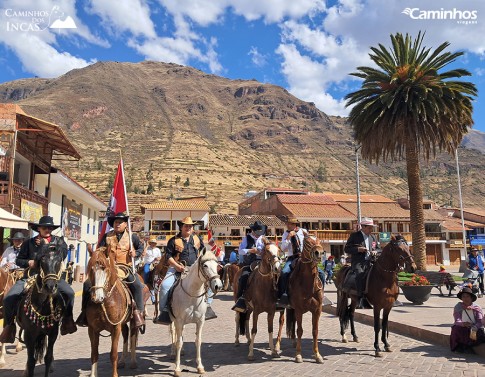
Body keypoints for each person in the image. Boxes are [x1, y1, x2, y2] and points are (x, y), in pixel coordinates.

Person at [0, 216, 77, 344]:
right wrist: (28, 262)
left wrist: (45, 247)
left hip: (52, 277)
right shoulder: (29, 243)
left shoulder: (59, 242)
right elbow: (19, 260)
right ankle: (9, 327)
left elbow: (62, 254)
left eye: (50, 228)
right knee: (9, 298)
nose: (47, 229)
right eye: (44, 227)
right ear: (39, 229)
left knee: (70, 293)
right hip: (31, 276)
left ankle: (67, 320)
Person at [75, 212, 146, 328]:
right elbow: (99, 251)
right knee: (87, 284)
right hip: (108, 267)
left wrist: (136, 253)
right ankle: (84, 313)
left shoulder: (132, 237)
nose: (117, 224)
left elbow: (140, 248)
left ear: (125, 225)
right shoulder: (107, 236)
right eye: (115, 222)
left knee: (137, 285)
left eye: (120, 222)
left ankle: (138, 312)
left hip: (125, 267)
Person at [155, 216, 216, 324]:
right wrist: (176, 266)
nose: (188, 228)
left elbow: (203, 253)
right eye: (186, 226)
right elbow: (168, 256)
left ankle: (207, 306)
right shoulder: (173, 240)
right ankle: (164, 312)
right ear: (181, 227)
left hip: (194, 269)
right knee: (165, 286)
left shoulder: (197, 239)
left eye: (190, 226)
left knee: (210, 282)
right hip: (177, 268)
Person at [276, 218, 325, 308]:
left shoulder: (303, 231)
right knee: (284, 273)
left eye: (290, 224)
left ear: (295, 225)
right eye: (287, 224)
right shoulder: (285, 234)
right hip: (292, 257)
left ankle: (321, 295)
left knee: (321, 273)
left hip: (305, 257)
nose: (287, 225)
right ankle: (283, 296)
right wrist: (288, 238)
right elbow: (283, 248)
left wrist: (311, 237)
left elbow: (310, 240)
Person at [344, 217, 379, 309]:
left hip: (371, 261)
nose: (371, 230)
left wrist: (376, 251)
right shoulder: (355, 236)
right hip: (359, 262)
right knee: (360, 274)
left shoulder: (373, 237)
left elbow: (378, 248)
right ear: (363, 227)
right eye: (369, 228)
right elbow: (347, 248)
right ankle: (360, 298)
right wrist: (358, 249)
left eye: (372, 228)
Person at [232, 220, 267, 312]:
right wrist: (250, 250)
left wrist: (262, 251)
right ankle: (241, 299)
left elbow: (268, 249)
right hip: (250, 262)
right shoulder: (247, 238)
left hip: (263, 262)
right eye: (257, 233)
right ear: (253, 231)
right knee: (244, 276)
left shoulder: (264, 239)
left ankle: (276, 296)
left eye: (260, 233)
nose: (259, 234)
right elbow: (240, 251)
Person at [450, 287, 485, 353]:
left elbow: (480, 321)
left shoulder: (477, 308)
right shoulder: (458, 307)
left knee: (476, 333)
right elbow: (457, 320)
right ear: (461, 298)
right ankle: (459, 347)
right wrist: (463, 324)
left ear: (471, 298)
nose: (465, 298)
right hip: (463, 326)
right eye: (463, 296)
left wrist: (474, 327)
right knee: (456, 329)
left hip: (475, 327)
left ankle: (469, 346)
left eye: (467, 296)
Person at [143, 236, 162, 303]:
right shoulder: (147, 249)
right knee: (146, 271)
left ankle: (160, 281)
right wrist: (146, 246)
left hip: (155, 264)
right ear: (150, 243)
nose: (153, 244)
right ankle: (145, 283)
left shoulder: (157, 250)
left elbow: (160, 257)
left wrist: (157, 259)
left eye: (154, 243)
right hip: (148, 264)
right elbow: (143, 254)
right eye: (152, 243)